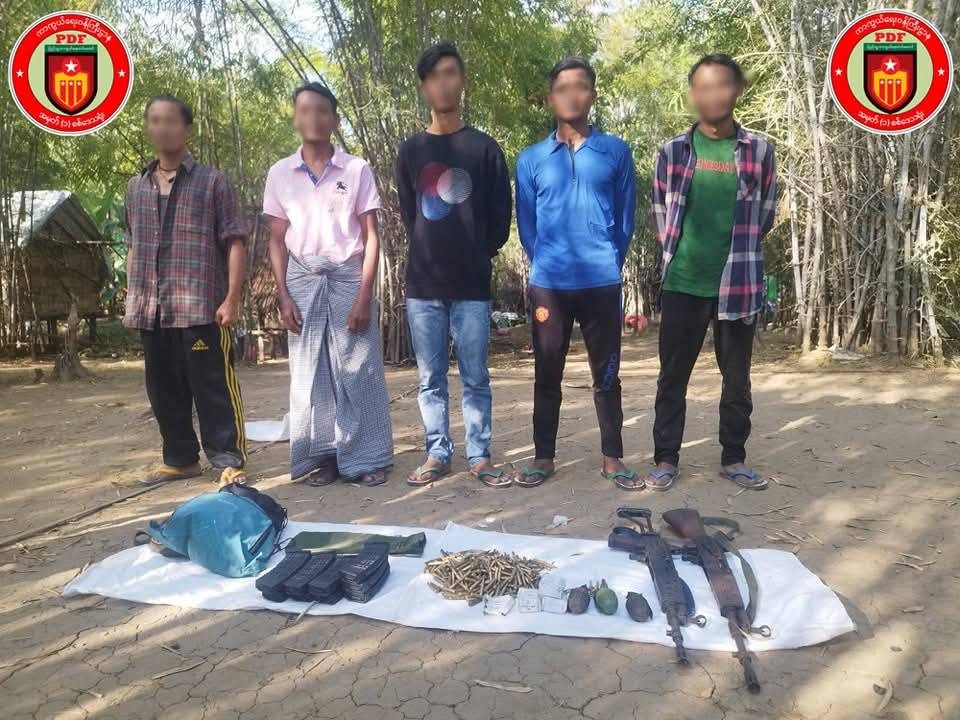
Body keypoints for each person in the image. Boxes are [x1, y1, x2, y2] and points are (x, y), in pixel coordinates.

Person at [647, 53, 777, 491]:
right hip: (683, 283)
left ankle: (734, 457)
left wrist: (739, 252)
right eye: (702, 87)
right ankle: (666, 459)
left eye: (721, 85)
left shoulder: (759, 151)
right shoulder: (673, 152)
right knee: (672, 377)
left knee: (737, 378)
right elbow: (661, 210)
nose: (712, 95)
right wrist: (676, 255)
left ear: (736, 90)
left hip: (737, 284)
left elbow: (765, 213)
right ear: (692, 95)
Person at [514, 57, 638, 490]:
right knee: (547, 372)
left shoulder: (615, 152)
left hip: (602, 281)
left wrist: (608, 260)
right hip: (549, 285)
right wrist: (547, 261)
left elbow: (626, 220)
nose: (572, 94)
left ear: (593, 95)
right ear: (551, 99)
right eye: (562, 88)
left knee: (607, 374)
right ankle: (543, 457)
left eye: (580, 86)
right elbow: (527, 225)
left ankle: (612, 457)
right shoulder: (531, 159)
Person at [263, 82, 393, 487]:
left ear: (335, 120)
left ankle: (367, 458)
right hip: (302, 280)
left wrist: (364, 296)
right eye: (305, 110)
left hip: (348, 277)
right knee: (311, 373)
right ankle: (323, 458)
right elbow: (275, 240)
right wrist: (284, 296)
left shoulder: (355, 170)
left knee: (359, 370)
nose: (314, 118)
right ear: (295, 117)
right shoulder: (280, 173)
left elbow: (371, 237)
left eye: (322, 111)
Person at [396, 42, 512, 488]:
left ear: (462, 81)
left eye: (449, 73)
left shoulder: (484, 148)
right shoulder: (411, 151)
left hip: (472, 284)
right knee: (430, 378)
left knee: (475, 375)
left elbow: (500, 216)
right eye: (433, 76)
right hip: (423, 284)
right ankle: (438, 453)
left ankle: (479, 455)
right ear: (423, 87)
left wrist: (476, 252)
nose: (442, 83)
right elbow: (411, 214)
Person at [124, 94, 248, 487]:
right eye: (155, 120)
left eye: (171, 121)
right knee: (163, 389)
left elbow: (235, 241)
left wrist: (232, 298)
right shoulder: (136, 187)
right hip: (152, 308)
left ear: (187, 129)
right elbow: (133, 245)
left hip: (200, 307)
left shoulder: (212, 182)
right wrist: (132, 294)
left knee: (212, 386)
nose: (162, 128)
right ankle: (180, 459)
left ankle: (228, 460)